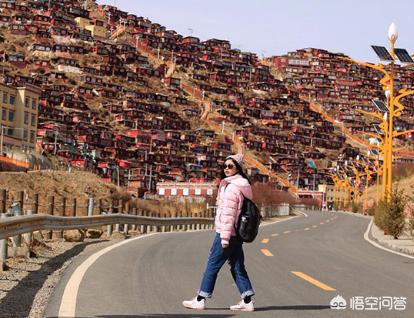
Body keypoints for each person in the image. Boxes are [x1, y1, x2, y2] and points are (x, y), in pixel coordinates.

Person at [183, 153, 255, 312]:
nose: (227, 169)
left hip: (227, 233)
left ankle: (200, 299)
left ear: (238, 168)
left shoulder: (232, 188)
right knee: (237, 266)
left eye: (230, 166)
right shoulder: (240, 185)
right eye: (225, 166)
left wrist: (224, 238)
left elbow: (229, 215)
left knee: (212, 265)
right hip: (236, 234)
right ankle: (247, 301)